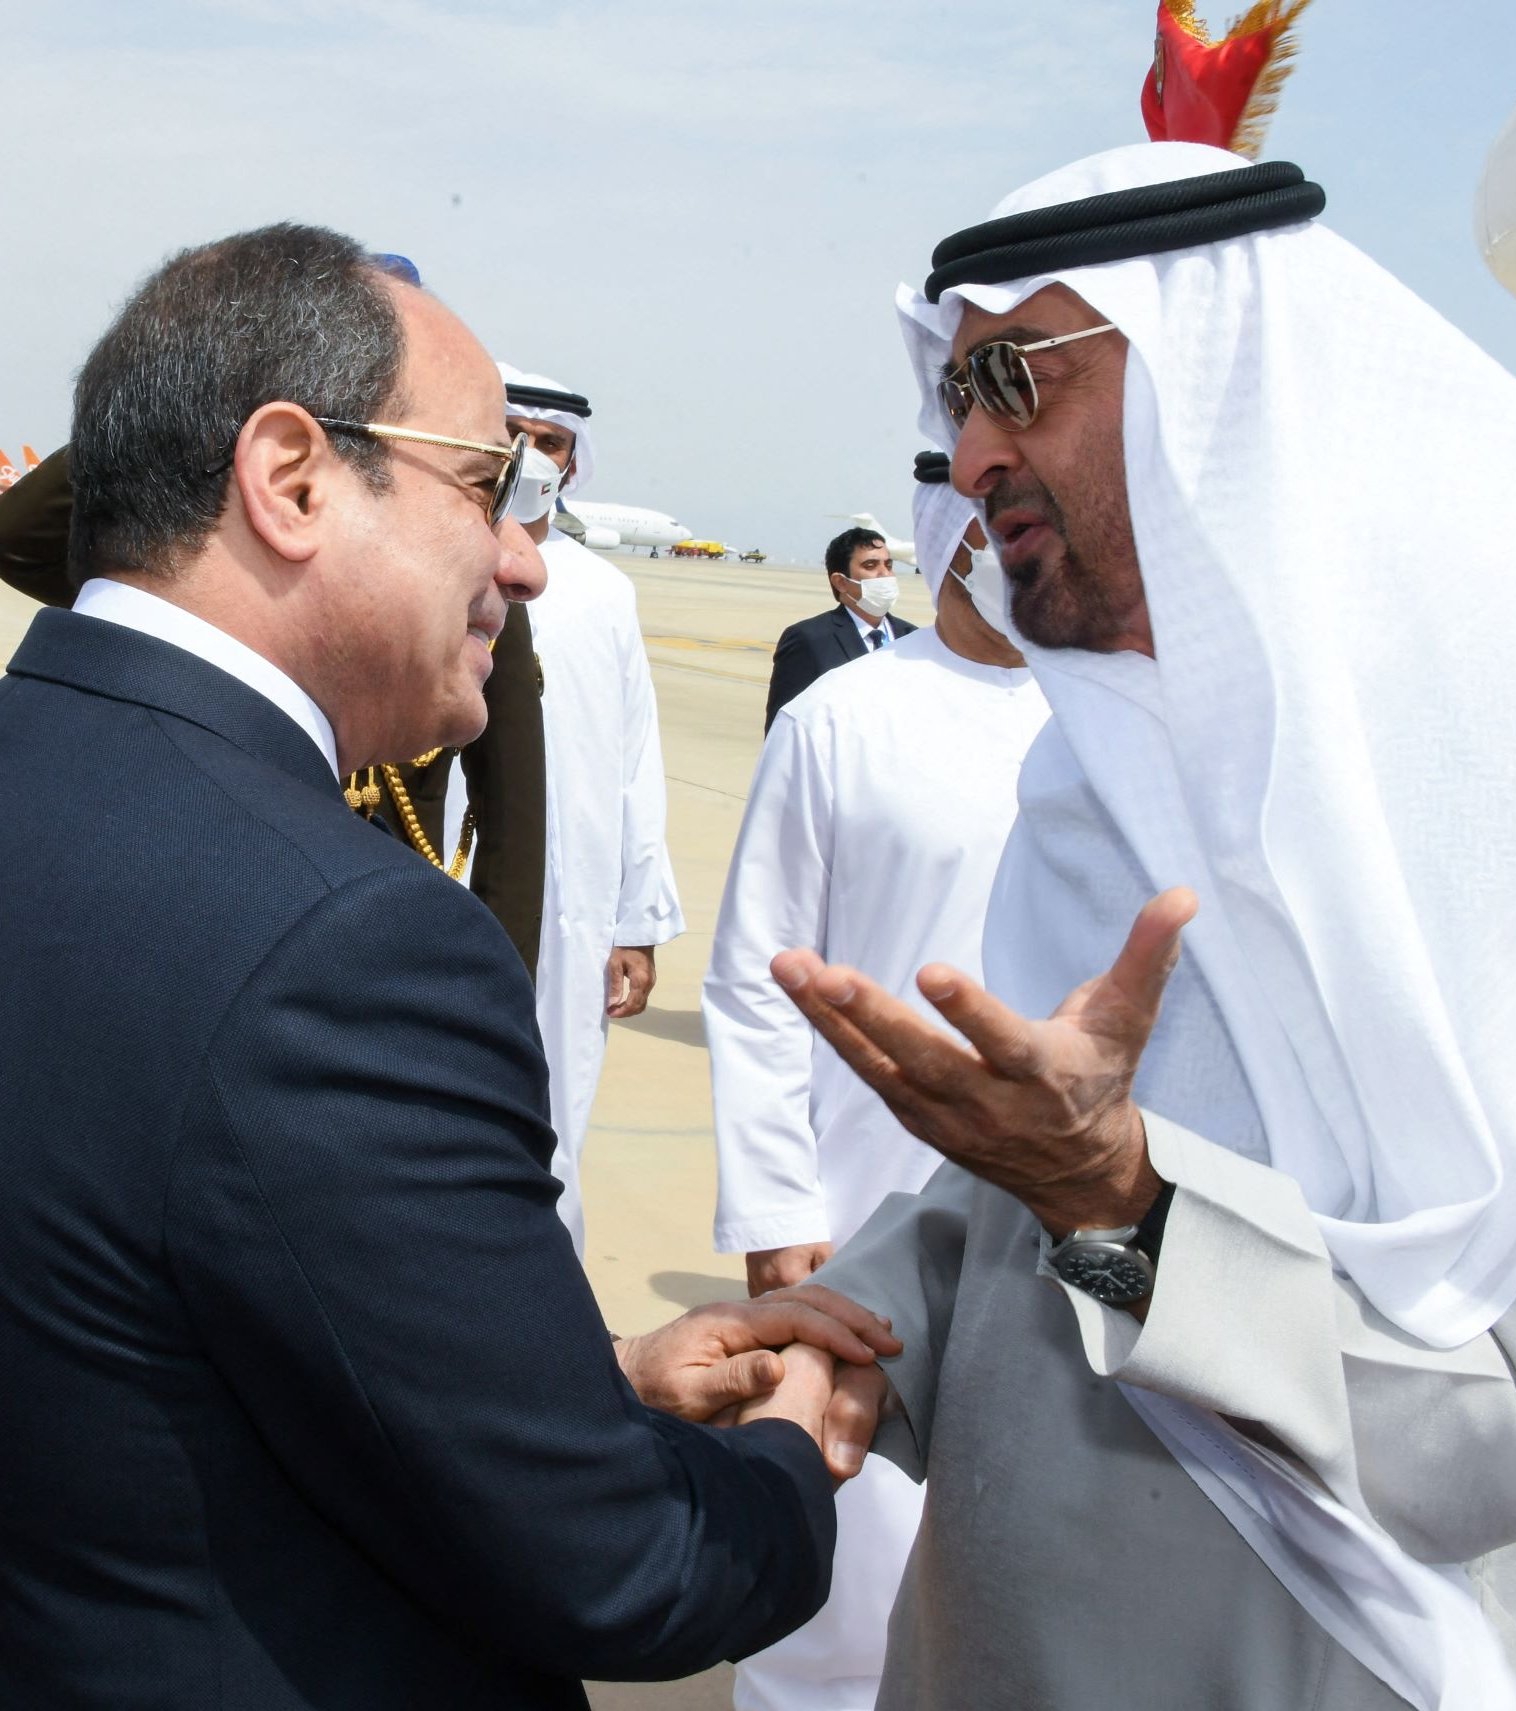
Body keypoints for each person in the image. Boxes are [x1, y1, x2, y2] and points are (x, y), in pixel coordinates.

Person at [771, 145, 1516, 1709]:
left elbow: (1502, 1427)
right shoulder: (1098, 775)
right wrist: (852, 1331)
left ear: (1222, 389)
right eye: (956, 396)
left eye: (1014, 377)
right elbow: (1010, 1200)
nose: (971, 447)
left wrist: (1126, 1208)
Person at [0, 222, 900, 1710]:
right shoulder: (347, 942)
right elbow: (624, 1566)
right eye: (487, 487)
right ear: (289, 479)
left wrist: (580, 1383)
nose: (528, 559)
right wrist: (794, 1438)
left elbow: (143, 1330)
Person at [706, 450, 1047, 1711]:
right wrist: (774, 1211)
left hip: (1053, 1223)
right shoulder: (841, 721)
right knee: (842, 1587)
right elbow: (754, 978)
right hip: (857, 1206)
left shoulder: (1116, 727)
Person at [452, 361, 685, 1254]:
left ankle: (545, 1289)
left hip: (574, 901)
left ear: (574, 463)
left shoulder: (602, 591)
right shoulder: (444, 565)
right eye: (513, 435)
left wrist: (636, 920)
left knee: (554, 1100)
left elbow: (636, 761)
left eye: (548, 443)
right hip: (448, 866)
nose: (529, 456)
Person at [763, 528, 916, 733]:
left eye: (888, 565)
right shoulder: (809, 639)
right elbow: (783, 728)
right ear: (841, 582)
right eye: (871, 566)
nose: (885, 574)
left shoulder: (911, 637)